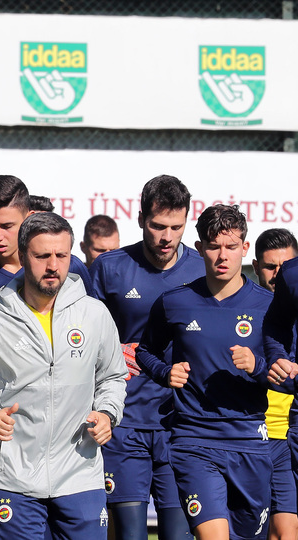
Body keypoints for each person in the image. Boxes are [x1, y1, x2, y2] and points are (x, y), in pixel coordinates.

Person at [0, 212, 127, 539]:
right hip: (15, 479)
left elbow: (112, 378)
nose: (53, 265)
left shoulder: (95, 314)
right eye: (42, 255)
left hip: (81, 476)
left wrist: (107, 413)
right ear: (22, 255)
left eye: (61, 255)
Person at [137, 204, 272, 539]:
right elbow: (145, 351)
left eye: (230, 246)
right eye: (213, 246)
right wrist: (164, 372)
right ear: (199, 249)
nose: (221, 255)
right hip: (193, 438)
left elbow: (287, 376)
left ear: (244, 247)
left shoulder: (269, 308)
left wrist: (257, 367)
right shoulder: (175, 302)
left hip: (248, 439)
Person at [89, 175, 201, 540]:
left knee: (178, 534)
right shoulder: (109, 268)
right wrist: (110, 350)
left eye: (176, 227)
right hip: (125, 422)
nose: (167, 236)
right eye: (157, 226)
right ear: (140, 220)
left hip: (180, 425)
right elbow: (82, 337)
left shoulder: (202, 271)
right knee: (130, 535)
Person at [250, 229, 298, 540]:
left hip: (286, 434)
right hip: (248, 434)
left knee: (285, 532)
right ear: (255, 266)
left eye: (286, 266)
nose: (279, 275)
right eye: (270, 267)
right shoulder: (245, 306)